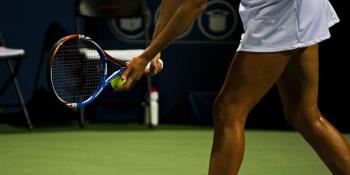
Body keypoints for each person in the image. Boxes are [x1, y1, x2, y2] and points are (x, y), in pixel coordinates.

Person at [114, 0, 350, 174]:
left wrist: (146, 55)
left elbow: (196, 4)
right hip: (297, 7)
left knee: (228, 110)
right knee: (304, 114)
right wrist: (155, 50)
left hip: (283, 11)